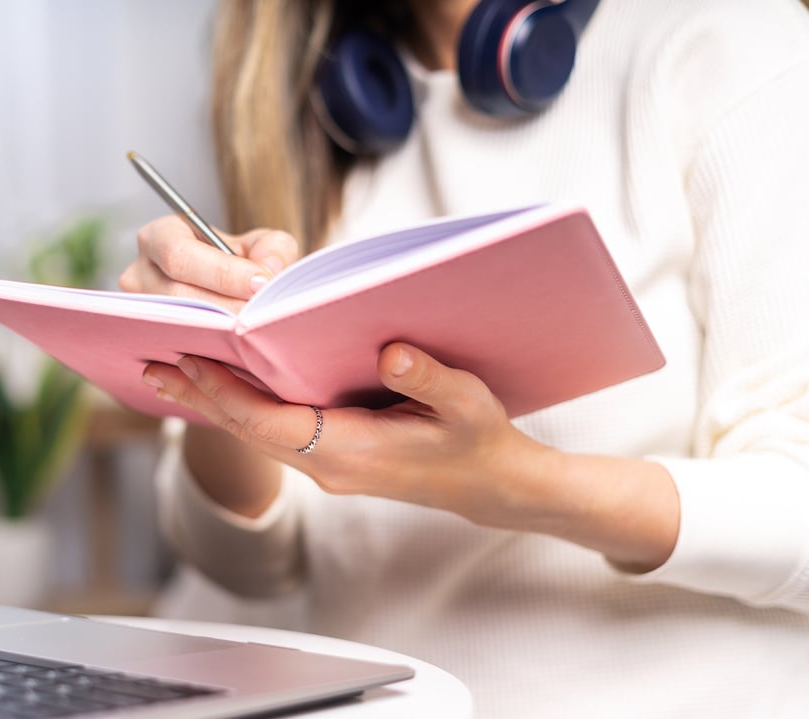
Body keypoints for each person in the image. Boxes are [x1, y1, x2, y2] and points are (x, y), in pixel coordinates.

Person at [119, 0, 809, 716]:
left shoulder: (725, 40)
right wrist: (204, 360)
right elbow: (248, 563)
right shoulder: (321, 107)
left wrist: (518, 483)